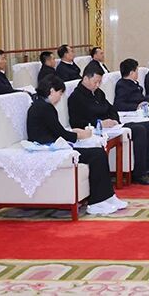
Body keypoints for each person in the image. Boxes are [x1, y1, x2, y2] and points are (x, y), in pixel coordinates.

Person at [27, 75, 127, 216]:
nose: (60, 97)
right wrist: (80, 135)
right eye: (60, 93)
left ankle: (107, 197)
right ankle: (96, 202)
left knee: (98, 153)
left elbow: (55, 130)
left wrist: (74, 133)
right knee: (97, 155)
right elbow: (60, 133)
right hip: (49, 149)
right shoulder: (45, 108)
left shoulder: (41, 105)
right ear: (52, 90)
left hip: (53, 145)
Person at [70, 63, 149, 185]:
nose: (97, 85)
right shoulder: (75, 97)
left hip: (112, 127)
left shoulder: (98, 93)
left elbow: (111, 109)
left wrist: (114, 120)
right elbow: (76, 122)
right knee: (139, 130)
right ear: (86, 78)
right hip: (95, 130)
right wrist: (100, 123)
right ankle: (139, 174)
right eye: (95, 82)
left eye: (99, 82)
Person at [110, 58, 149, 181]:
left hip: (141, 113)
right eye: (137, 71)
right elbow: (119, 104)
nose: (138, 73)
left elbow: (143, 100)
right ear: (132, 72)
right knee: (142, 129)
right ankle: (140, 173)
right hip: (129, 116)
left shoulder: (134, 84)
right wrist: (136, 106)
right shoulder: (122, 85)